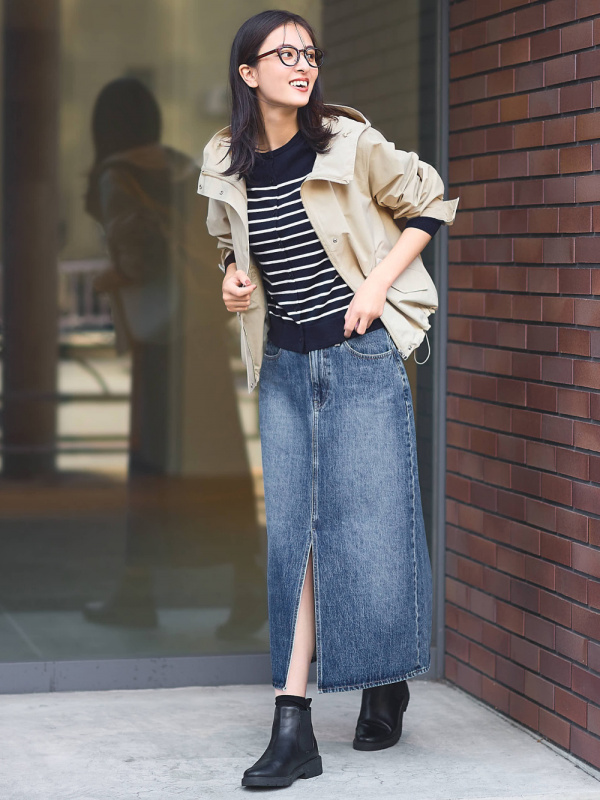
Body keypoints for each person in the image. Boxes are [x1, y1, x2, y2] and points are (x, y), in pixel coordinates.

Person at [198, 10, 459, 789]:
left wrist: (377, 286)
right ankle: (295, 723)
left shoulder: (347, 139)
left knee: (370, 526)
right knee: (296, 542)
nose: (302, 65)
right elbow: (231, 244)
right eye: (284, 55)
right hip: (284, 366)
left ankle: (384, 680)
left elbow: (431, 199)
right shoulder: (225, 158)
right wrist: (232, 279)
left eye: (309, 54)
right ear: (248, 72)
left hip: (360, 358)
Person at [83, 77, 267, 640]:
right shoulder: (185, 167)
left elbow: (139, 258)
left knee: (154, 466)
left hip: (159, 341)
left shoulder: (118, 175)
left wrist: (108, 278)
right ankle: (245, 585)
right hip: (200, 331)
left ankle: (138, 592)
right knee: (217, 465)